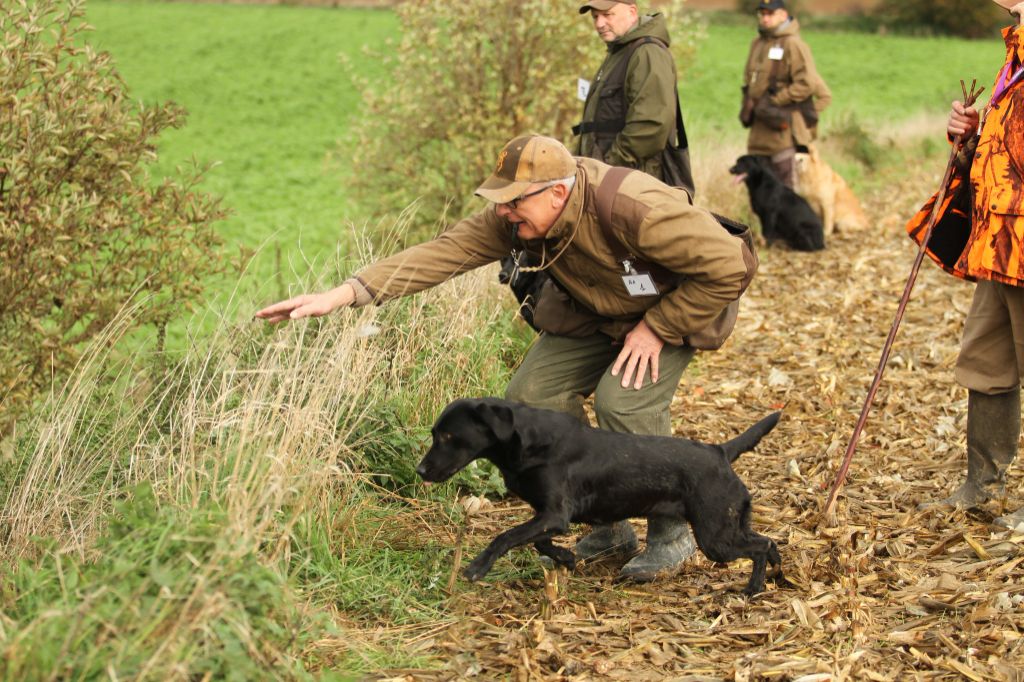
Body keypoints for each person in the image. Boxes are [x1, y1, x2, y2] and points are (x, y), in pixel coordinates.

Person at [257, 134, 757, 580]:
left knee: (622, 402)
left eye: (512, 202)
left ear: (557, 193)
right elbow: (443, 253)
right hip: (596, 314)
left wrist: (656, 328)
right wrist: (345, 294)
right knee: (530, 397)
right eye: (499, 201)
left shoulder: (635, 208)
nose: (502, 212)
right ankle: (605, 520)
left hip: (674, 309)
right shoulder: (519, 216)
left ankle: (670, 529)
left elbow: (728, 265)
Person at [915, 0, 1024, 531]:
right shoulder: (1014, 59)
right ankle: (982, 485)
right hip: (998, 248)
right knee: (986, 366)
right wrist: (971, 137)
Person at [574, 0, 693, 193]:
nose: (599, 24)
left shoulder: (647, 53)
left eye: (607, 15)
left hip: (632, 188)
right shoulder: (620, 51)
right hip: (611, 183)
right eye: (595, 16)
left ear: (632, 11)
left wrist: (606, 169)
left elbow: (650, 126)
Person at [739, 0, 830, 188]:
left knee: (784, 196)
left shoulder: (794, 44)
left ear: (782, 15)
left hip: (782, 137)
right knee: (759, 198)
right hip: (758, 134)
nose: (764, 18)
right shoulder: (756, 44)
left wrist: (776, 100)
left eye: (769, 14)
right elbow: (750, 82)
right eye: (761, 14)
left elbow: (807, 83)